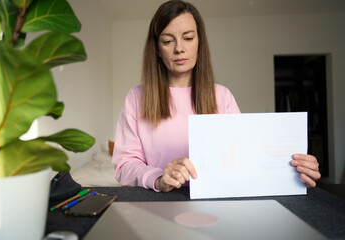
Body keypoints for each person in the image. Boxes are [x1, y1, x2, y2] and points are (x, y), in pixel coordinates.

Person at [112, 0, 321, 192]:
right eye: (168, 41)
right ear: (157, 49)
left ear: (199, 42)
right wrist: (158, 178)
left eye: (188, 38)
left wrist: (293, 169)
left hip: (215, 203)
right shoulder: (136, 98)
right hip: (157, 204)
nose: (179, 49)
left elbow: (245, 159)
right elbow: (124, 165)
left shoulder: (222, 97)